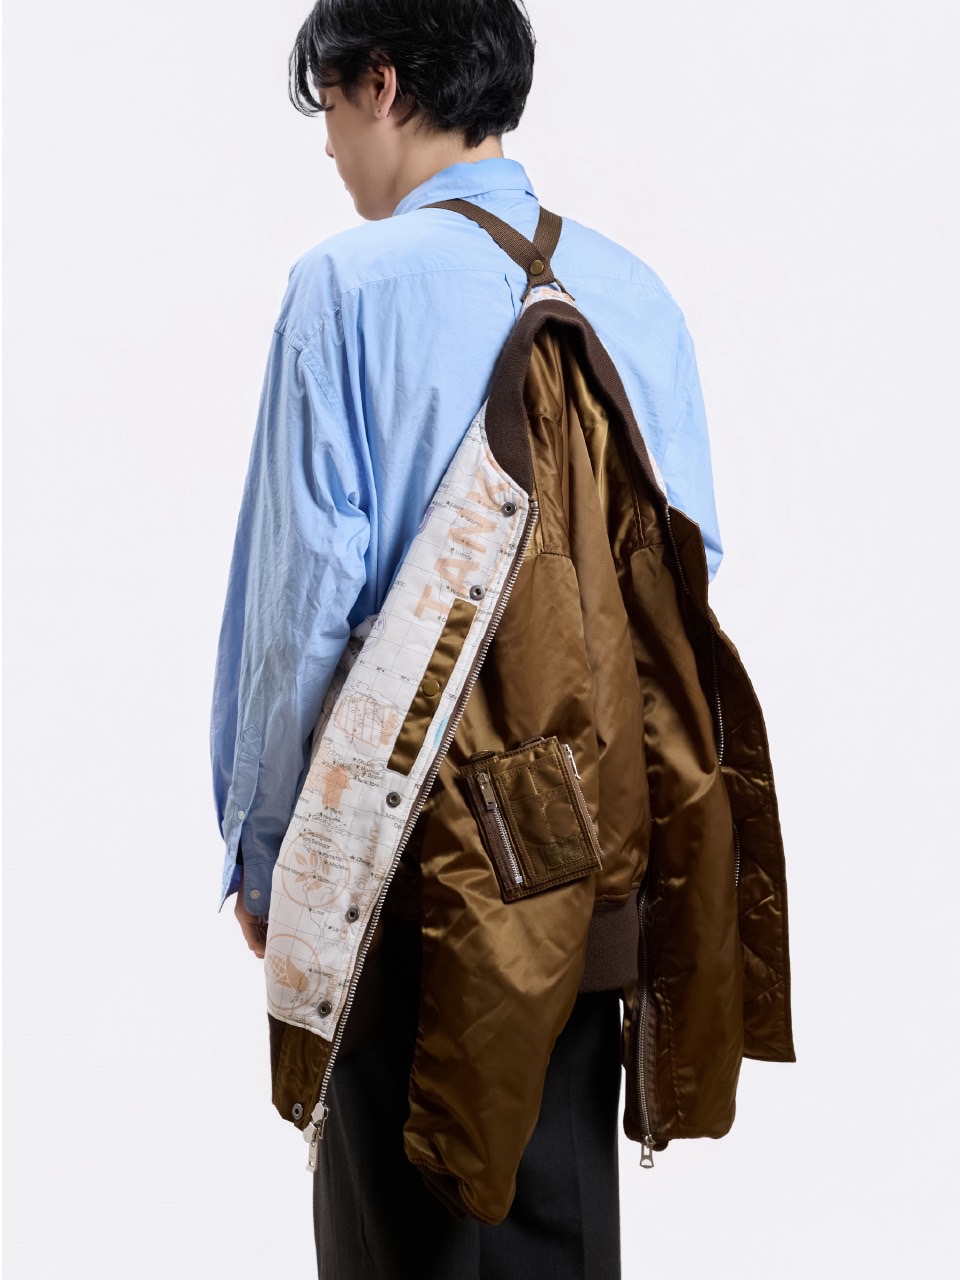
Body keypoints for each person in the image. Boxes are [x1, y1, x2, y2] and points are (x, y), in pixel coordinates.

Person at [210, 2, 726, 1275]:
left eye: (332, 105)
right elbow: (685, 585)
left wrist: (267, 851)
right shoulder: (632, 293)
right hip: (588, 864)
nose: (330, 144)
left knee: (402, 1233)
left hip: (403, 876)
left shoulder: (346, 288)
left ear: (382, 84)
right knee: (560, 1232)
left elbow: (300, 615)